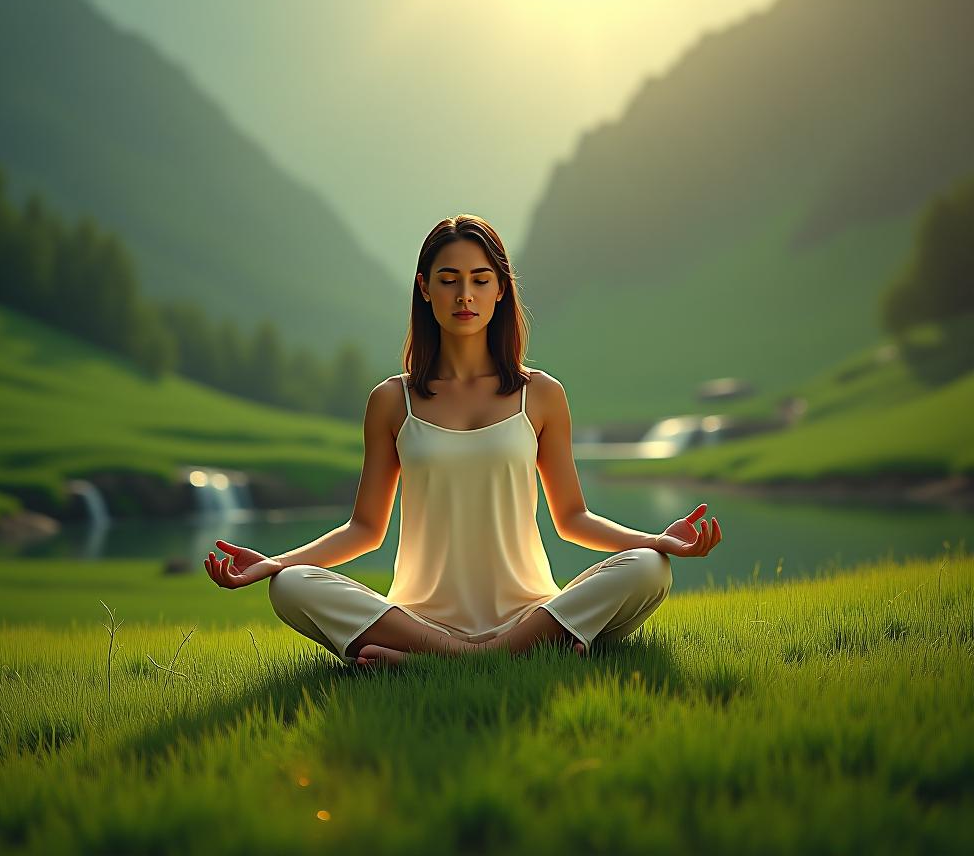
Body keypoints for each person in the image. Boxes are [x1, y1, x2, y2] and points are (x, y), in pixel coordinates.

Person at [204, 214, 722, 669]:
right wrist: (277, 563)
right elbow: (364, 529)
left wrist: (657, 541)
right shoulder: (392, 401)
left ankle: (457, 656)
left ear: (501, 290)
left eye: (480, 280)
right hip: (417, 616)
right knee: (291, 587)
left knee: (649, 570)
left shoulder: (540, 395)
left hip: (529, 610)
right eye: (448, 280)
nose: (464, 296)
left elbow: (572, 519)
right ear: (425, 289)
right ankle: (490, 653)